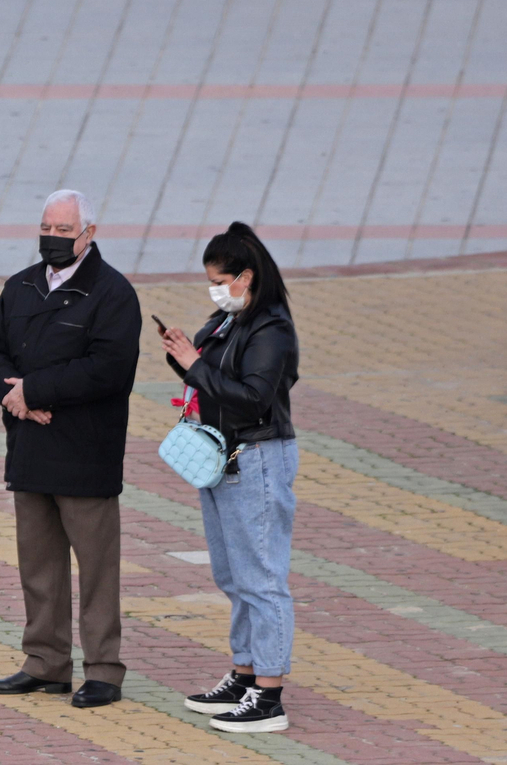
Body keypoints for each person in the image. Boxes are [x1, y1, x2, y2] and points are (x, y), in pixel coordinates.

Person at [0, 190, 140, 709]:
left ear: (89, 234)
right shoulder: (20, 286)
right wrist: (12, 396)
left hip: (85, 451)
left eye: (64, 231)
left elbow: (108, 369)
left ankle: (104, 671)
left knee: (96, 570)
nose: (52, 238)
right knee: (38, 566)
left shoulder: (113, 294)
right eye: (46, 227)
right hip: (30, 444)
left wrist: (36, 391)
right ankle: (45, 663)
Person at [161, 222, 298, 734]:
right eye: (211, 282)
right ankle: (244, 673)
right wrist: (184, 356)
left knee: (262, 578)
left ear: (246, 276)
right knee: (232, 574)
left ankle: (269, 693)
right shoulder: (227, 321)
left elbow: (252, 397)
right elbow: (210, 378)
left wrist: (194, 362)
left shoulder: (271, 328)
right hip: (224, 459)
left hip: (259, 456)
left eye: (221, 280)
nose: (216, 290)